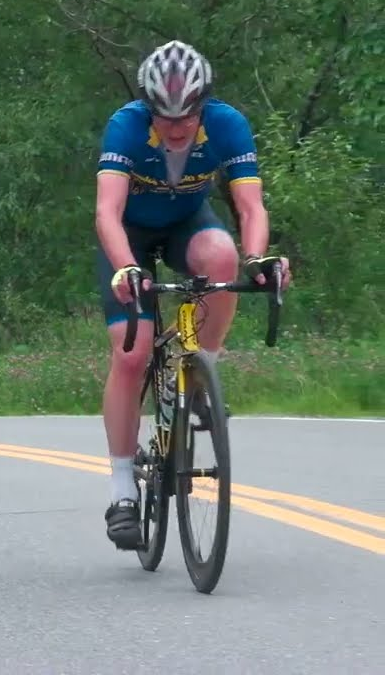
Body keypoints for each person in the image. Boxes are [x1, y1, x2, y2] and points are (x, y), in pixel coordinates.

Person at [94, 41, 291, 549]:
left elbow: (250, 206)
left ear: (205, 105)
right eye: (166, 119)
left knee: (223, 256)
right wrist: (127, 268)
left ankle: (201, 366)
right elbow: (107, 213)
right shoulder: (125, 126)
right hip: (130, 237)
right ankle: (122, 493)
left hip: (187, 226)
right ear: (148, 108)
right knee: (132, 353)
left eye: (188, 118)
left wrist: (259, 260)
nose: (178, 128)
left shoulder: (227, 124)